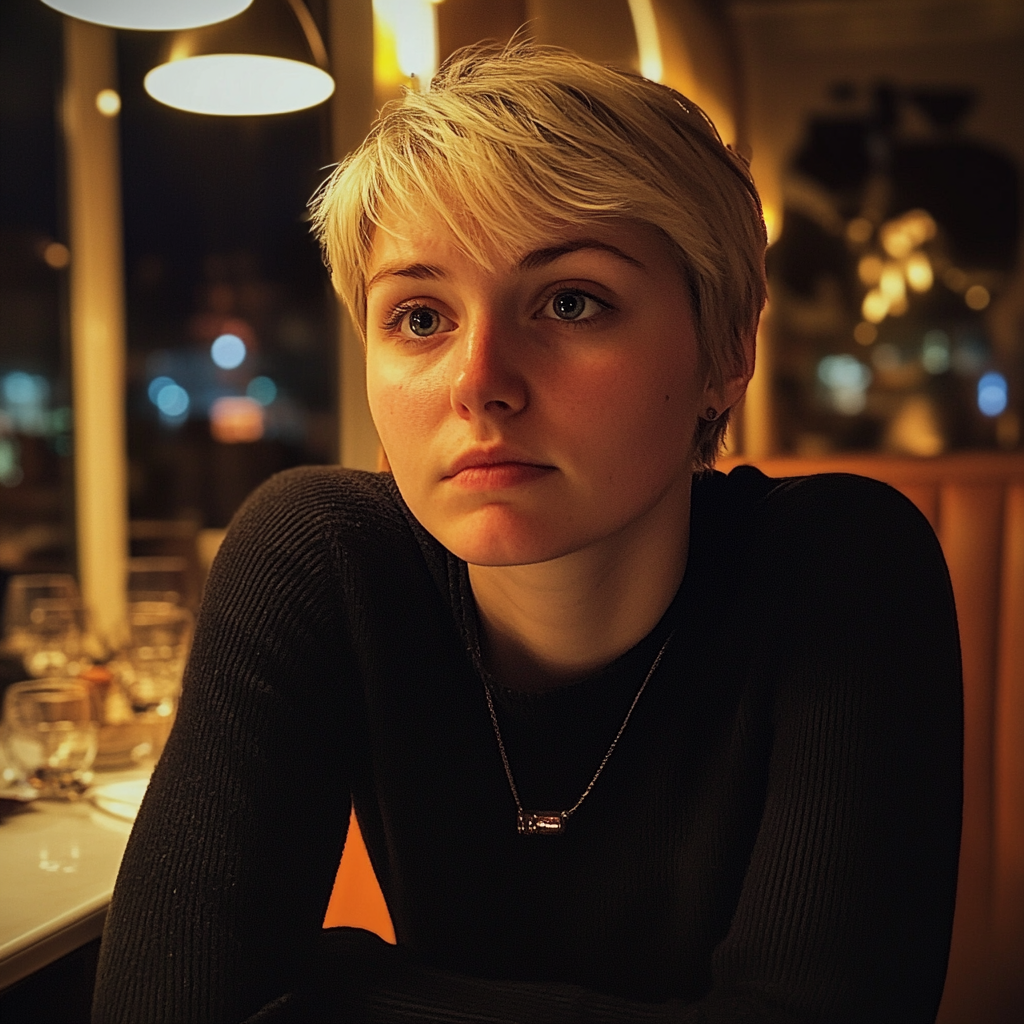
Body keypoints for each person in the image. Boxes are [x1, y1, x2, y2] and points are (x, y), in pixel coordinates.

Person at [92, 43, 962, 1024]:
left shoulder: (841, 566)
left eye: (570, 300)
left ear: (725, 348)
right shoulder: (319, 554)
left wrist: (338, 988)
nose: (478, 381)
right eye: (420, 317)